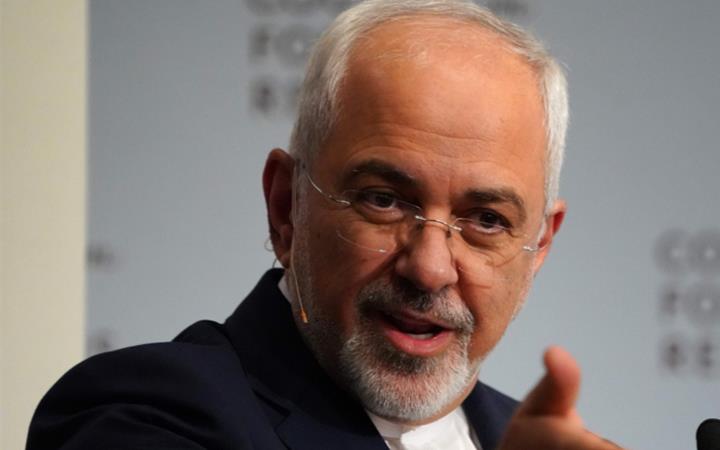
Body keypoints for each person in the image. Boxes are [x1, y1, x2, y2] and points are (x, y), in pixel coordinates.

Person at [28, 1, 622, 449]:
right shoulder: (144, 413)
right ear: (285, 207)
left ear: (539, 245)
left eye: (487, 220)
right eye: (384, 200)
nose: (430, 267)